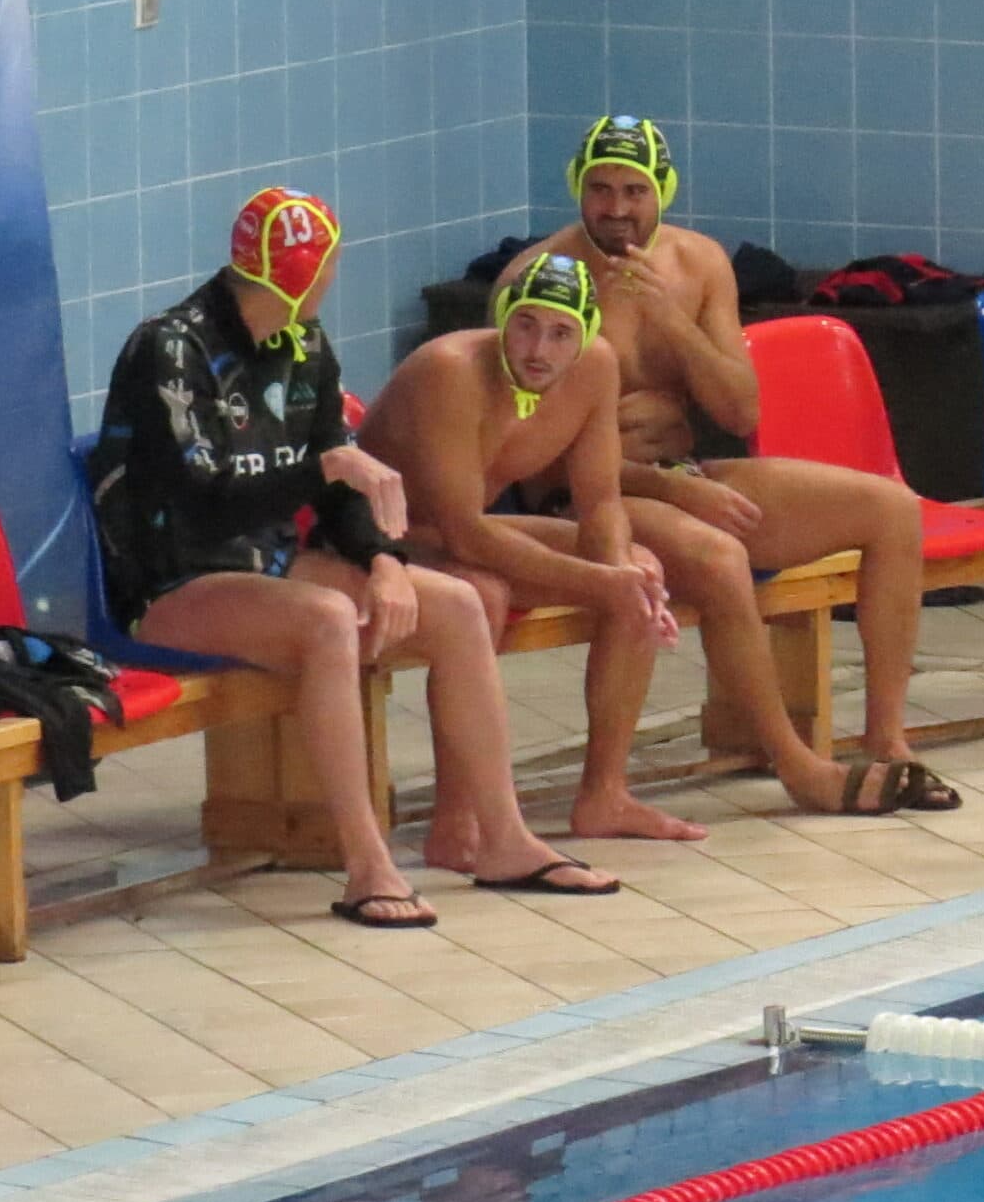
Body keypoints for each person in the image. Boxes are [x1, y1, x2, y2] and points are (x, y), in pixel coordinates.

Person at [89, 191, 618, 925]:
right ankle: (367, 865)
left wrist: (384, 560)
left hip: (268, 563)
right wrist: (324, 473)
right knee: (328, 619)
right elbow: (207, 503)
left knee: (457, 605)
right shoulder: (171, 350)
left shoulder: (305, 344)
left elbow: (344, 486)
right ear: (302, 274)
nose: (333, 280)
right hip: (170, 582)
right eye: (329, 266)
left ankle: (504, 839)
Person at [373, 256, 954, 827]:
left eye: (559, 333)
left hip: (494, 523)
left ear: (584, 336)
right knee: (569, 585)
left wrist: (621, 572)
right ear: (502, 317)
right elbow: (466, 532)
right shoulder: (450, 371)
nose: (538, 349)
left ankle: (605, 795)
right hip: (390, 542)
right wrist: (607, 577)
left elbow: (603, 503)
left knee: (640, 573)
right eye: (525, 325)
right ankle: (461, 820)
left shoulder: (600, 360)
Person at [512, 114, 957, 811]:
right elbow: (532, 463)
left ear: (663, 192)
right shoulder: (541, 283)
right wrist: (673, 491)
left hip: (682, 474)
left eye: (634, 191)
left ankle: (886, 740)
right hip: (587, 498)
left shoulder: (700, 265)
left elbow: (740, 413)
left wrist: (671, 321)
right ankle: (795, 763)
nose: (617, 209)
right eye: (600, 190)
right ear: (577, 188)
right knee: (719, 557)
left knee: (892, 510)